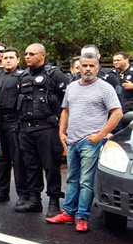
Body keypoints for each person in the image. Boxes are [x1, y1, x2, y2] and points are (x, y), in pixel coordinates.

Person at [49, 52, 122, 232]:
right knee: (72, 179)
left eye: (91, 66)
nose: (88, 69)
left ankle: (82, 217)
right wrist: (61, 131)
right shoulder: (72, 87)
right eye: (84, 65)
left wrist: (101, 134)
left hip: (91, 142)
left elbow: (117, 113)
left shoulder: (105, 88)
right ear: (78, 67)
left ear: (97, 68)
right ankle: (68, 213)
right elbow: (65, 110)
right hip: (72, 140)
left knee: (86, 182)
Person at [16, 43, 69, 216]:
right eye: (26, 53)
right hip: (27, 128)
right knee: (31, 166)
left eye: (32, 53)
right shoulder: (23, 76)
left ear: (43, 55)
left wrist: (62, 127)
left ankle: (54, 202)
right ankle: (34, 200)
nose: (27, 56)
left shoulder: (55, 75)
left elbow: (68, 103)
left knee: (51, 166)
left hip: (47, 128)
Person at [0, 48, 28, 204]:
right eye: (5, 57)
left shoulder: (23, 76)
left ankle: (23, 195)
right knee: (0, 158)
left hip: (15, 121)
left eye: (11, 57)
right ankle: (2, 192)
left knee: (18, 160)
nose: (7, 60)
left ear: (17, 59)